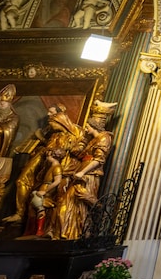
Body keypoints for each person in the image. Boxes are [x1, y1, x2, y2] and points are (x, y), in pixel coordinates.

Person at [49, 101, 116, 240]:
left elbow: (99, 159)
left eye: (88, 126)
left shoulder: (104, 138)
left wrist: (82, 172)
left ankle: (77, 233)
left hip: (89, 176)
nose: (85, 128)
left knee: (79, 203)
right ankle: (67, 233)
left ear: (95, 125)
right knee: (67, 203)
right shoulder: (92, 140)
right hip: (81, 173)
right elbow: (83, 155)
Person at [4, 105, 81, 224]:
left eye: (52, 113)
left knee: (39, 199)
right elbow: (49, 147)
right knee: (22, 181)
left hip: (55, 168)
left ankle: (27, 217)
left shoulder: (73, 132)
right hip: (44, 162)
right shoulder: (54, 134)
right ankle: (20, 213)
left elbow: (75, 148)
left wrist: (42, 140)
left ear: (60, 118)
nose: (48, 115)